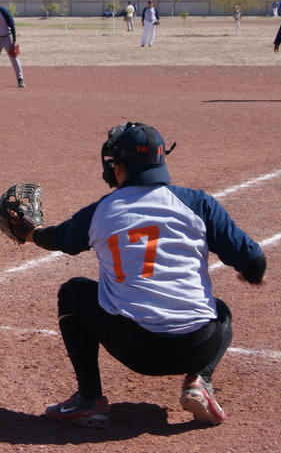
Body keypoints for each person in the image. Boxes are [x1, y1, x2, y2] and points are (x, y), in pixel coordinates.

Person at [15, 122, 266, 428]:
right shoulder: (199, 204)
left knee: (72, 292)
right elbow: (254, 262)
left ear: (120, 166)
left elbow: (57, 240)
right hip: (197, 346)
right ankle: (200, 380)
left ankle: (89, 401)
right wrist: (252, 273)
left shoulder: (102, 210)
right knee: (220, 310)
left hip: (137, 349)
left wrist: (31, 232)